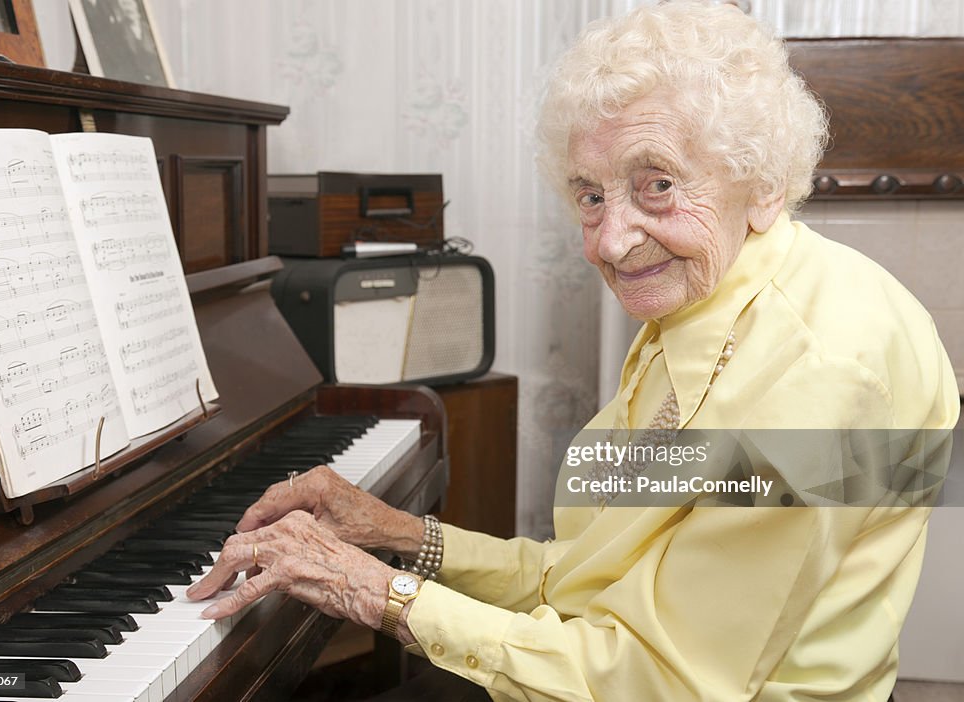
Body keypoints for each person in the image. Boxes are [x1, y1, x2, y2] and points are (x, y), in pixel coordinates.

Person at [186, 2, 960, 700]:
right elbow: (588, 575)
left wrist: (377, 593)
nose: (612, 244)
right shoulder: (702, 308)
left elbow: (663, 680)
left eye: (656, 184)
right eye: (591, 195)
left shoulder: (813, 376)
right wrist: (401, 537)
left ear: (761, 183)